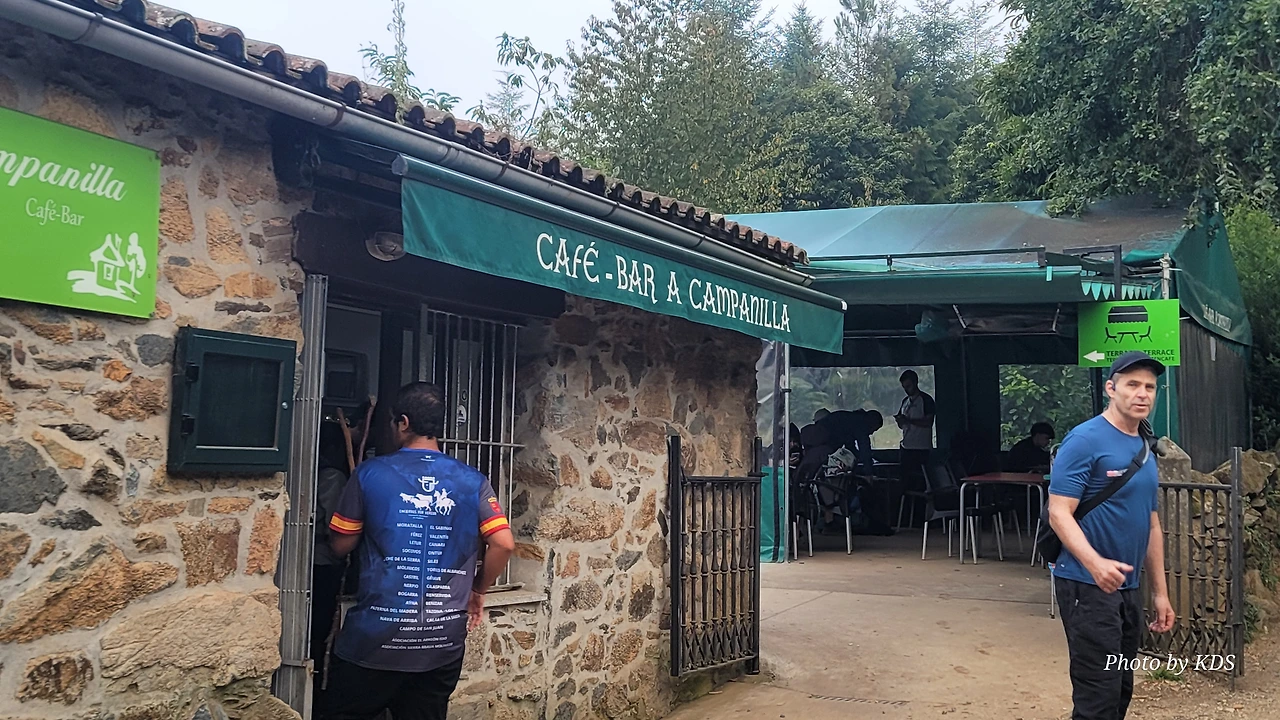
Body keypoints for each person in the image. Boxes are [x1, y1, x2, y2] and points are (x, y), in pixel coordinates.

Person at [319, 382, 517, 720]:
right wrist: (478, 590)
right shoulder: (473, 481)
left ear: (404, 422)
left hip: (374, 642)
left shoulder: (370, 473)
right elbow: (503, 543)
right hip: (441, 646)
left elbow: (341, 544)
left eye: (393, 421)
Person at [1048, 351, 1175, 719]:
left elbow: (1151, 523)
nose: (1142, 393)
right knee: (1097, 694)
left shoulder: (1144, 446)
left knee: (1120, 688)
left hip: (1127, 587)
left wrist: (1160, 593)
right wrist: (1095, 564)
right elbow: (1059, 512)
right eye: (1132, 384)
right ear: (1111, 388)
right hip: (1086, 585)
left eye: (1149, 386)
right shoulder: (1085, 440)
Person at [312, 420, 353, 690]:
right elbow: (336, 527)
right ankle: (319, 683)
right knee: (321, 627)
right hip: (324, 561)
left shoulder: (309, 473)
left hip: (311, 561)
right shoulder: (332, 478)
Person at [895, 370, 936, 490]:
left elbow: (928, 422)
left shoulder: (926, 400)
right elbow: (901, 425)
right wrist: (900, 421)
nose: (906, 390)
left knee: (921, 483)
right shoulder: (905, 402)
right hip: (906, 447)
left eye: (908, 386)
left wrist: (909, 421)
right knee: (905, 483)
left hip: (921, 449)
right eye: (904, 387)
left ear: (915, 382)